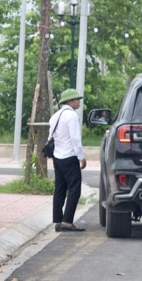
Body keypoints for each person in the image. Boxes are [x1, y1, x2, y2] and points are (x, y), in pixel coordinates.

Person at [49, 88, 87, 232]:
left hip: (57, 157)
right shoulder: (71, 116)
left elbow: (50, 137)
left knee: (59, 188)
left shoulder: (56, 116)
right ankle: (67, 221)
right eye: (77, 99)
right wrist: (81, 157)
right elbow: (75, 138)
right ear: (69, 101)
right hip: (69, 156)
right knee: (74, 188)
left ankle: (58, 220)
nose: (78, 102)